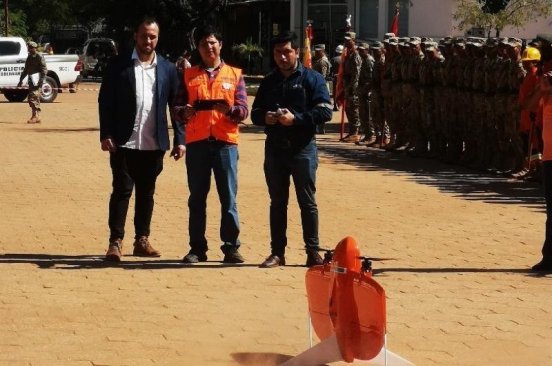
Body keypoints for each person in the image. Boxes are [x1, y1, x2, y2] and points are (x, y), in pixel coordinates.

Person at [98, 17, 184, 262]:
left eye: (153, 36)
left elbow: (176, 106)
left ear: (158, 38)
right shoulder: (119, 65)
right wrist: (106, 134)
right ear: (136, 35)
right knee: (122, 191)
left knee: (147, 193)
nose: (148, 40)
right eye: (145, 35)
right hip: (123, 141)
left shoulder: (167, 69)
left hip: (153, 143)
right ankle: (115, 242)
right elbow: (105, 101)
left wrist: (180, 139)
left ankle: (141, 240)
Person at [251, 31, 332, 268]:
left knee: (307, 202)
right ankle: (277, 252)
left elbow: (325, 111)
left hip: (302, 149)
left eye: (287, 51)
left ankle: (313, 252)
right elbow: (255, 113)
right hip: (275, 150)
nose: (282, 57)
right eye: (278, 52)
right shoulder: (269, 81)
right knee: (277, 202)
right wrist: (265, 117)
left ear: (297, 52)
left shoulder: (312, 78)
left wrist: (295, 119)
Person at [177, 25, 248, 264]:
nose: (209, 47)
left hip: (225, 144)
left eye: (212, 42)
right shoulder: (188, 76)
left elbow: (243, 109)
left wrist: (231, 111)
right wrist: (184, 112)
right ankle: (197, 248)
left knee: (228, 198)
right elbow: (177, 108)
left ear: (220, 45)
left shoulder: (235, 74)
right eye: (204, 44)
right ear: (198, 48)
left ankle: (231, 247)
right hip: (197, 144)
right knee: (197, 198)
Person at [529, 34, 552, 272]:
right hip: (549, 156)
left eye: (545, 63)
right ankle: (549, 257)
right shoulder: (545, 87)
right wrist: (542, 90)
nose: (542, 67)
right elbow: (526, 105)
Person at [339, 31, 362, 143]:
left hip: (353, 86)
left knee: (354, 110)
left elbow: (356, 73)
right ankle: (352, 131)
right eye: (345, 40)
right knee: (348, 109)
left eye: (348, 40)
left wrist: (352, 88)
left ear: (353, 40)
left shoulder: (355, 54)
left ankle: (355, 132)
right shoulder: (348, 54)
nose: (346, 42)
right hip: (347, 84)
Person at [17, 41, 47, 124]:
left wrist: (41, 81)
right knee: (34, 98)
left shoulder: (39, 56)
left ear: (34, 48)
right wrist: (21, 80)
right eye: (28, 48)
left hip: (37, 80)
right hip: (32, 80)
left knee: (32, 98)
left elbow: (44, 69)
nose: (29, 49)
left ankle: (35, 116)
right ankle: (37, 116)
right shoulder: (29, 57)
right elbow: (26, 69)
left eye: (30, 48)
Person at [312, 44, 331, 134]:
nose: (315, 52)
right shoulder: (319, 60)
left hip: (320, 86)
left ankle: (320, 128)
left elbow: (322, 76)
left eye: (318, 51)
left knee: (321, 106)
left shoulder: (322, 61)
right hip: (318, 84)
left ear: (322, 51)